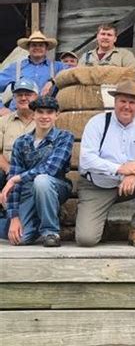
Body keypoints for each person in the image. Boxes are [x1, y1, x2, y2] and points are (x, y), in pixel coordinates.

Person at [75, 79, 135, 247]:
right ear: (114, 102)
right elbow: (86, 159)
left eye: (132, 102)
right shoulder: (98, 122)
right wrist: (120, 169)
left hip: (129, 184)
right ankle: (94, 218)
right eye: (123, 101)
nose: (127, 107)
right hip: (97, 185)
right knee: (86, 239)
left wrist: (134, 172)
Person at [0, 96, 73, 247]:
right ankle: (37, 221)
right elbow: (15, 178)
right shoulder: (21, 142)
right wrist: (14, 217)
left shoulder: (64, 137)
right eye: (40, 112)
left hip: (55, 187)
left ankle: (50, 232)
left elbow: (50, 169)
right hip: (28, 192)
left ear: (56, 115)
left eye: (49, 112)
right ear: (33, 114)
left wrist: (15, 178)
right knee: (19, 239)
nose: (45, 116)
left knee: (41, 180)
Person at [0, 79, 39, 239]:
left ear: (36, 96)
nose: (23, 98)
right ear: (14, 98)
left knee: (20, 234)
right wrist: (9, 170)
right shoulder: (3, 121)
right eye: (19, 95)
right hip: (6, 172)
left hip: (32, 176)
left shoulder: (43, 119)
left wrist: (19, 177)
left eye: (28, 94)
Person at [0, 30, 67, 115]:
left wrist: (52, 81)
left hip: (46, 116)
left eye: (41, 45)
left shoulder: (58, 67)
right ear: (28, 48)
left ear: (46, 49)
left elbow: (73, 74)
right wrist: (1, 109)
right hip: (18, 116)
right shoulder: (15, 67)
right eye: (34, 45)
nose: (37, 48)